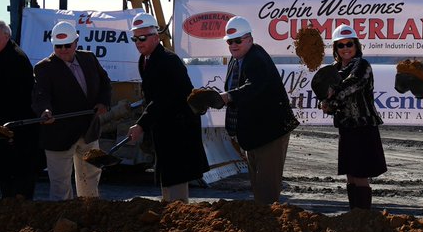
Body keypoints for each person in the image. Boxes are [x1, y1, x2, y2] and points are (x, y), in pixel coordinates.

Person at [217, 16, 299, 206]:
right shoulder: (236, 60)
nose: (233, 45)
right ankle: (264, 224)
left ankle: (270, 228)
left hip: (270, 133)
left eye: (238, 40)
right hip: (254, 133)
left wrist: (229, 96)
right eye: (230, 41)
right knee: (259, 188)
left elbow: (254, 86)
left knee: (267, 190)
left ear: (250, 39)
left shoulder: (256, 58)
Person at [127, 12, 208, 203]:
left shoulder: (168, 61)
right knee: (167, 173)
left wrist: (141, 125)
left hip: (179, 128)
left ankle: (179, 216)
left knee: (176, 175)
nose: (138, 42)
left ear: (156, 37)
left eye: (142, 38)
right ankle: (170, 211)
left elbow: (163, 99)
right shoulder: (145, 59)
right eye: (135, 38)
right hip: (164, 127)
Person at [33, 21, 112, 200]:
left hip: (88, 131)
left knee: (90, 178)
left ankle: (89, 212)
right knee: (60, 183)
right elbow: (40, 95)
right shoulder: (44, 68)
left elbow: (105, 83)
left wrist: (103, 102)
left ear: (76, 42)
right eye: (58, 46)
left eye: (67, 45)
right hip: (59, 134)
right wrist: (45, 111)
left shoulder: (89, 59)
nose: (63, 50)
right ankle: (63, 219)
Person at [0, 20, 42, 199]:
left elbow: (11, 97)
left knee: (19, 183)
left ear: (7, 36)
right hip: (1, 131)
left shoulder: (15, 59)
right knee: (5, 180)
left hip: (17, 133)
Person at [320, 25, 386, 210]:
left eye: (349, 43)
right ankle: (354, 215)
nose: (345, 48)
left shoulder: (362, 65)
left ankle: (363, 218)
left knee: (360, 173)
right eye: (340, 45)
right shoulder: (332, 70)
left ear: (356, 45)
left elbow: (353, 84)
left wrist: (332, 94)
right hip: (345, 127)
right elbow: (326, 96)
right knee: (350, 173)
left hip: (363, 126)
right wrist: (325, 104)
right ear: (335, 49)